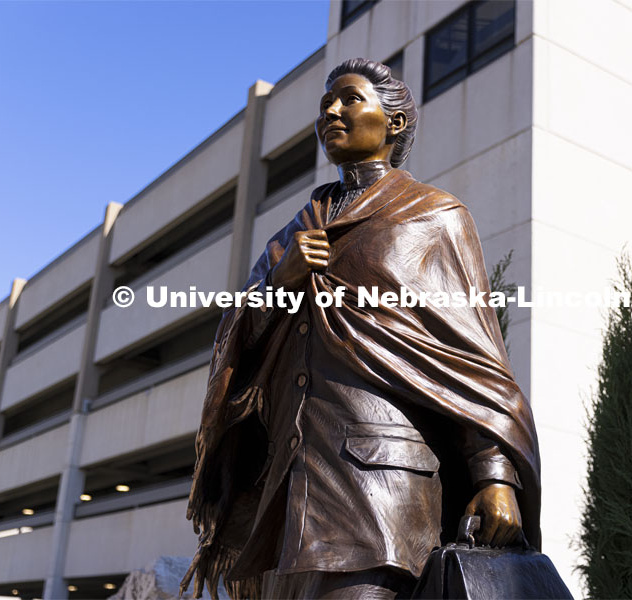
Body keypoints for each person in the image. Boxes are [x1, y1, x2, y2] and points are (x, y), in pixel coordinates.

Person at [182, 58, 541, 600]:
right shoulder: (290, 235)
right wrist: (282, 279)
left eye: (349, 98)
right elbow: (237, 341)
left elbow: (474, 361)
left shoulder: (434, 216)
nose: (331, 110)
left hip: (380, 498)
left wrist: (495, 475)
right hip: (283, 504)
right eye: (325, 102)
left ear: (394, 124)